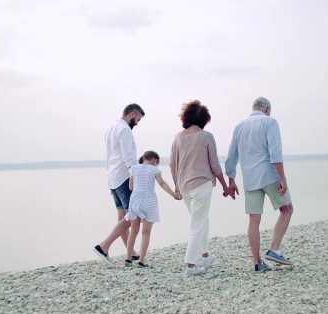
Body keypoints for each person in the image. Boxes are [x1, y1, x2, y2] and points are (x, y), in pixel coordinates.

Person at [225, 96, 294, 273]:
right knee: (287, 209)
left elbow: (232, 156)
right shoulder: (269, 122)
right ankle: (274, 249)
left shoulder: (239, 126)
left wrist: (231, 180)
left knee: (254, 219)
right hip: (269, 175)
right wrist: (283, 179)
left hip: (249, 178)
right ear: (267, 109)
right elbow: (275, 153)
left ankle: (258, 262)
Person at [170, 100, 230, 276]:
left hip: (185, 186)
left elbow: (173, 165)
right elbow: (215, 165)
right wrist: (225, 186)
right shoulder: (206, 136)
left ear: (186, 116)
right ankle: (190, 265)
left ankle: (205, 255)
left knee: (202, 219)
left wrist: (177, 187)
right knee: (197, 223)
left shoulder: (178, 137)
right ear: (204, 119)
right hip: (202, 184)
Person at [93, 103, 145, 265]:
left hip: (113, 178)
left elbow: (110, 156)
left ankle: (131, 253)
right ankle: (104, 246)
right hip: (123, 177)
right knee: (133, 215)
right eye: (137, 119)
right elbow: (128, 155)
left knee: (123, 217)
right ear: (131, 114)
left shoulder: (111, 129)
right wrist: (135, 176)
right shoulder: (124, 130)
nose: (137, 123)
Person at [125, 151, 181, 268]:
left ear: (144, 158)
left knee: (133, 231)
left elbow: (131, 187)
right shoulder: (154, 170)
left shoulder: (134, 168)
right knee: (146, 233)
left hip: (135, 200)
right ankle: (140, 261)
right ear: (155, 161)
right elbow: (162, 183)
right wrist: (173, 194)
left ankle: (128, 258)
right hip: (149, 201)